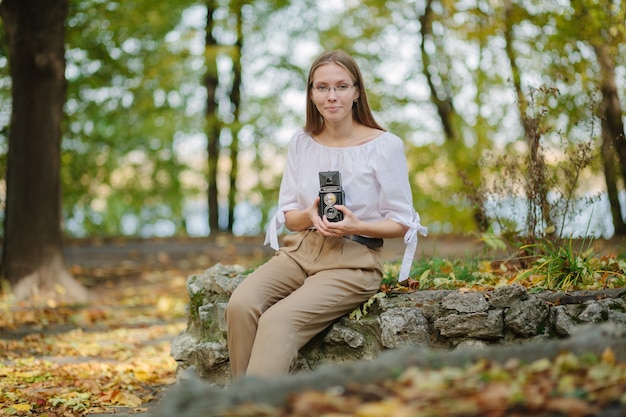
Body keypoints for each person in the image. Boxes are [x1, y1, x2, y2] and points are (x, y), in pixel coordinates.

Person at [225, 49, 427, 379]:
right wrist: (309, 214)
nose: (331, 96)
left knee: (278, 322)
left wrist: (359, 224)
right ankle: (245, 404)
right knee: (240, 305)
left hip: (355, 261)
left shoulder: (385, 145)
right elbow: (289, 216)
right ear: (311, 93)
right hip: (300, 251)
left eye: (341, 86)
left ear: (357, 91)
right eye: (321, 87)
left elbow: (402, 221)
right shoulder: (301, 142)